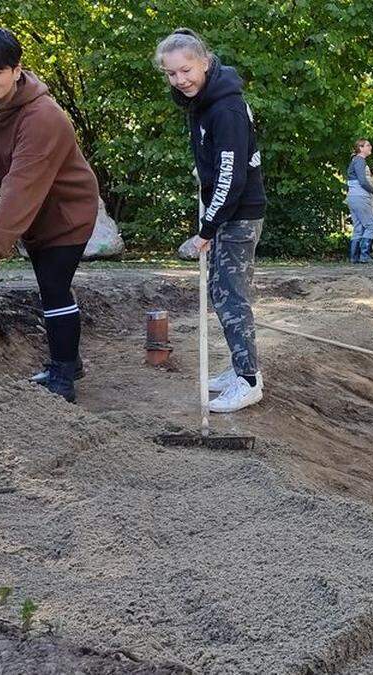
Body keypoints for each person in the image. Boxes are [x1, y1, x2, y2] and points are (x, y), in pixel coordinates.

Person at [0, 27, 98, 403]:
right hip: (30, 213)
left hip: (65, 211)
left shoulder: (43, 117)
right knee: (50, 287)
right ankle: (70, 360)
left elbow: (22, 187)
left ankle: (63, 377)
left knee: (54, 287)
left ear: (17, 70)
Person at [157, 29, 267, 413]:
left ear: (204, 62)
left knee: (231, 296)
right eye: (171, 74)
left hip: (238, 217)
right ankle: (239, 367)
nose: (179, 80)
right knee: (221, 291)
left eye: (186, 70)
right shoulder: (202, 102)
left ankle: (249, 380)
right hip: (227, 214)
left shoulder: (225, 107)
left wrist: (207, 229)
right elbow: (216, 159)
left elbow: (231, 175)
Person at [345, 139, 373, 264]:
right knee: (371, 226)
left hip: (353, 197)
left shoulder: (355, 161)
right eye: (368, 145)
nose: (370, 147)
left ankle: (354, 257)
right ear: (360, 147)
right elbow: (363, 181)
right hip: (361, 197)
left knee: (358, 228)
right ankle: (364, 256)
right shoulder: (360, 161)